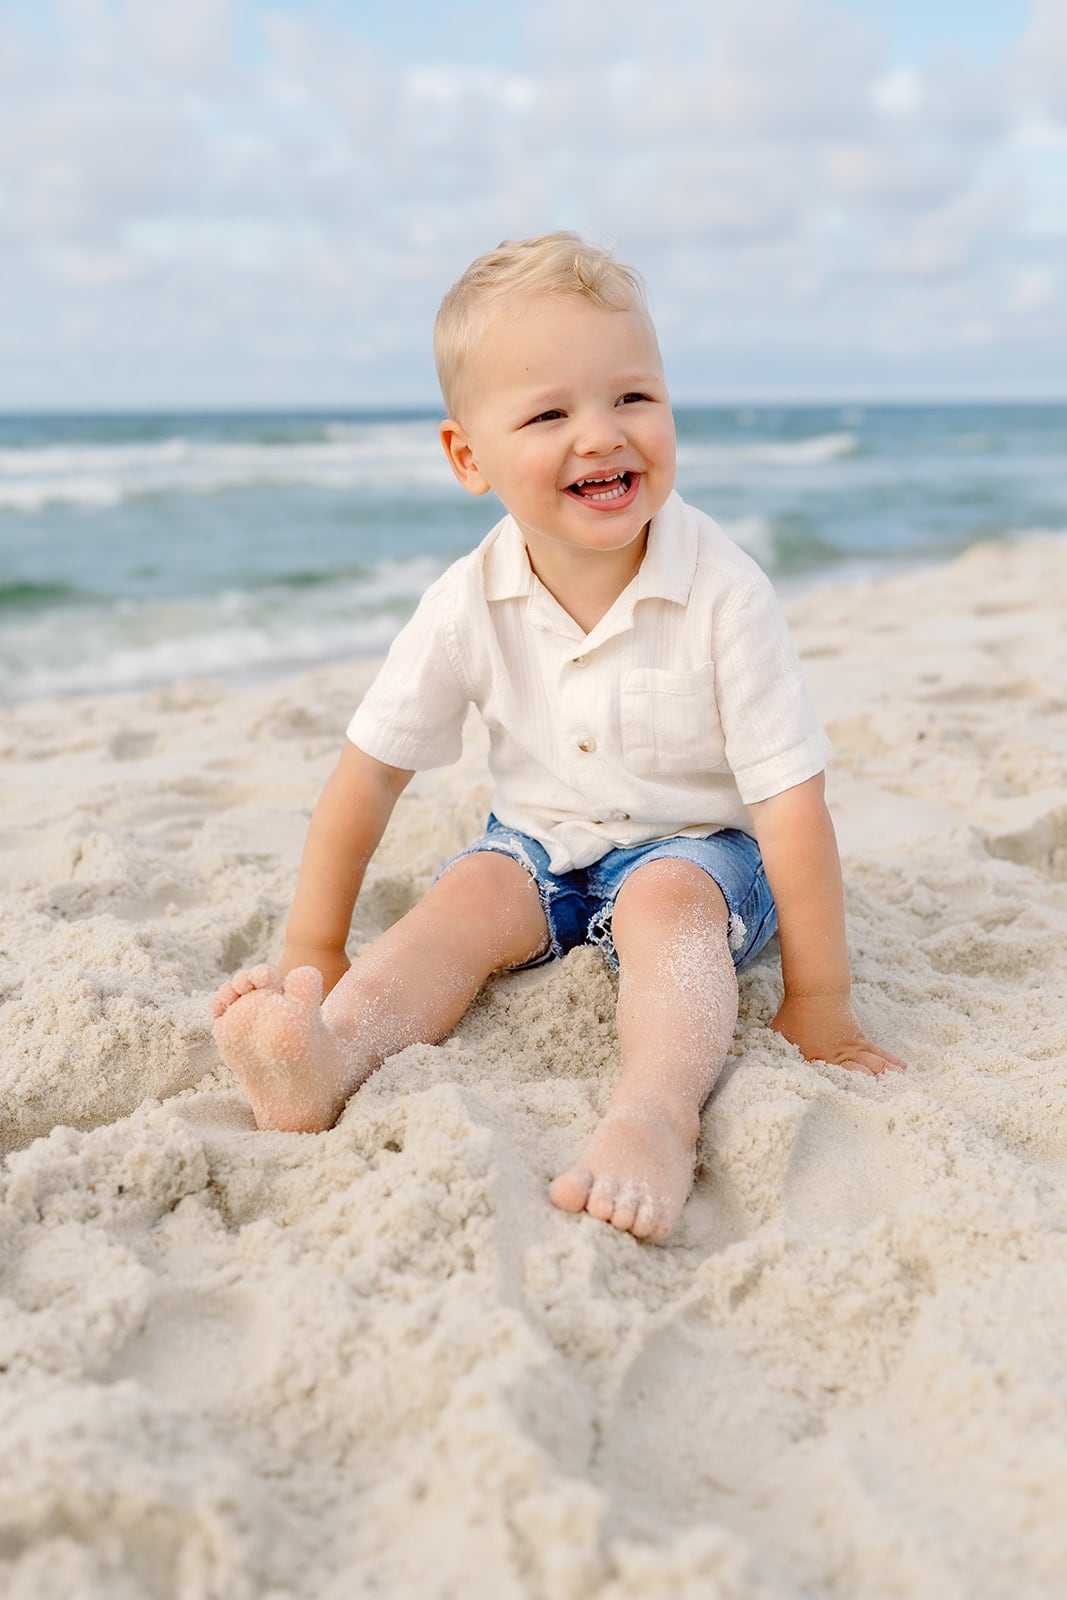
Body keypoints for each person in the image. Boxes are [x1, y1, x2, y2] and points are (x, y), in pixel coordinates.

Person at [211, 232, 905, 1242]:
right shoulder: (464, 601)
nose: (601, 435)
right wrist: (312, 947)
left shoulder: (722, 590)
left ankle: (652, 1119)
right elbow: (366, 779)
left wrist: (821, 1000)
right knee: (464, 898)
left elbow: (790, 807)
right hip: (538, 851)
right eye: (548, 412)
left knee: (667, 903)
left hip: (700, 858)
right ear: (467, 457)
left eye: (632, 398)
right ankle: (329, 1053)